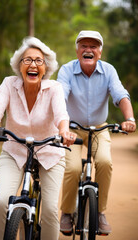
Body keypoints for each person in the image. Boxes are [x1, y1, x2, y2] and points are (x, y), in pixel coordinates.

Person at [0, 36, 77, 240]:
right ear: (19, 65)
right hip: (14, 150)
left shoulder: (54, 89)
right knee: (1, 202)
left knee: (49, 210)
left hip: (50, 151)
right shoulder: (8, 84)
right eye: (27, 60)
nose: (33, 64)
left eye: (38, 61)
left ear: (45, 67)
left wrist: (64, 131)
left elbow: (61, 115)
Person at [57, 30, 136, 235]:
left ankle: (100, 212)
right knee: (73, 169)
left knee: (105, 162)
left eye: (93, 46)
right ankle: (66, 212)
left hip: (100, 128)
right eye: (84, 46)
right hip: (72, 130)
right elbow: (60, 96)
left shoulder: (109, 70)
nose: (88, 50)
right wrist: (59, 123)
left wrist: (129, 119)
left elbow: (120, 95)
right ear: (77, 51)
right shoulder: (66, 70)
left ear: (100, 52)